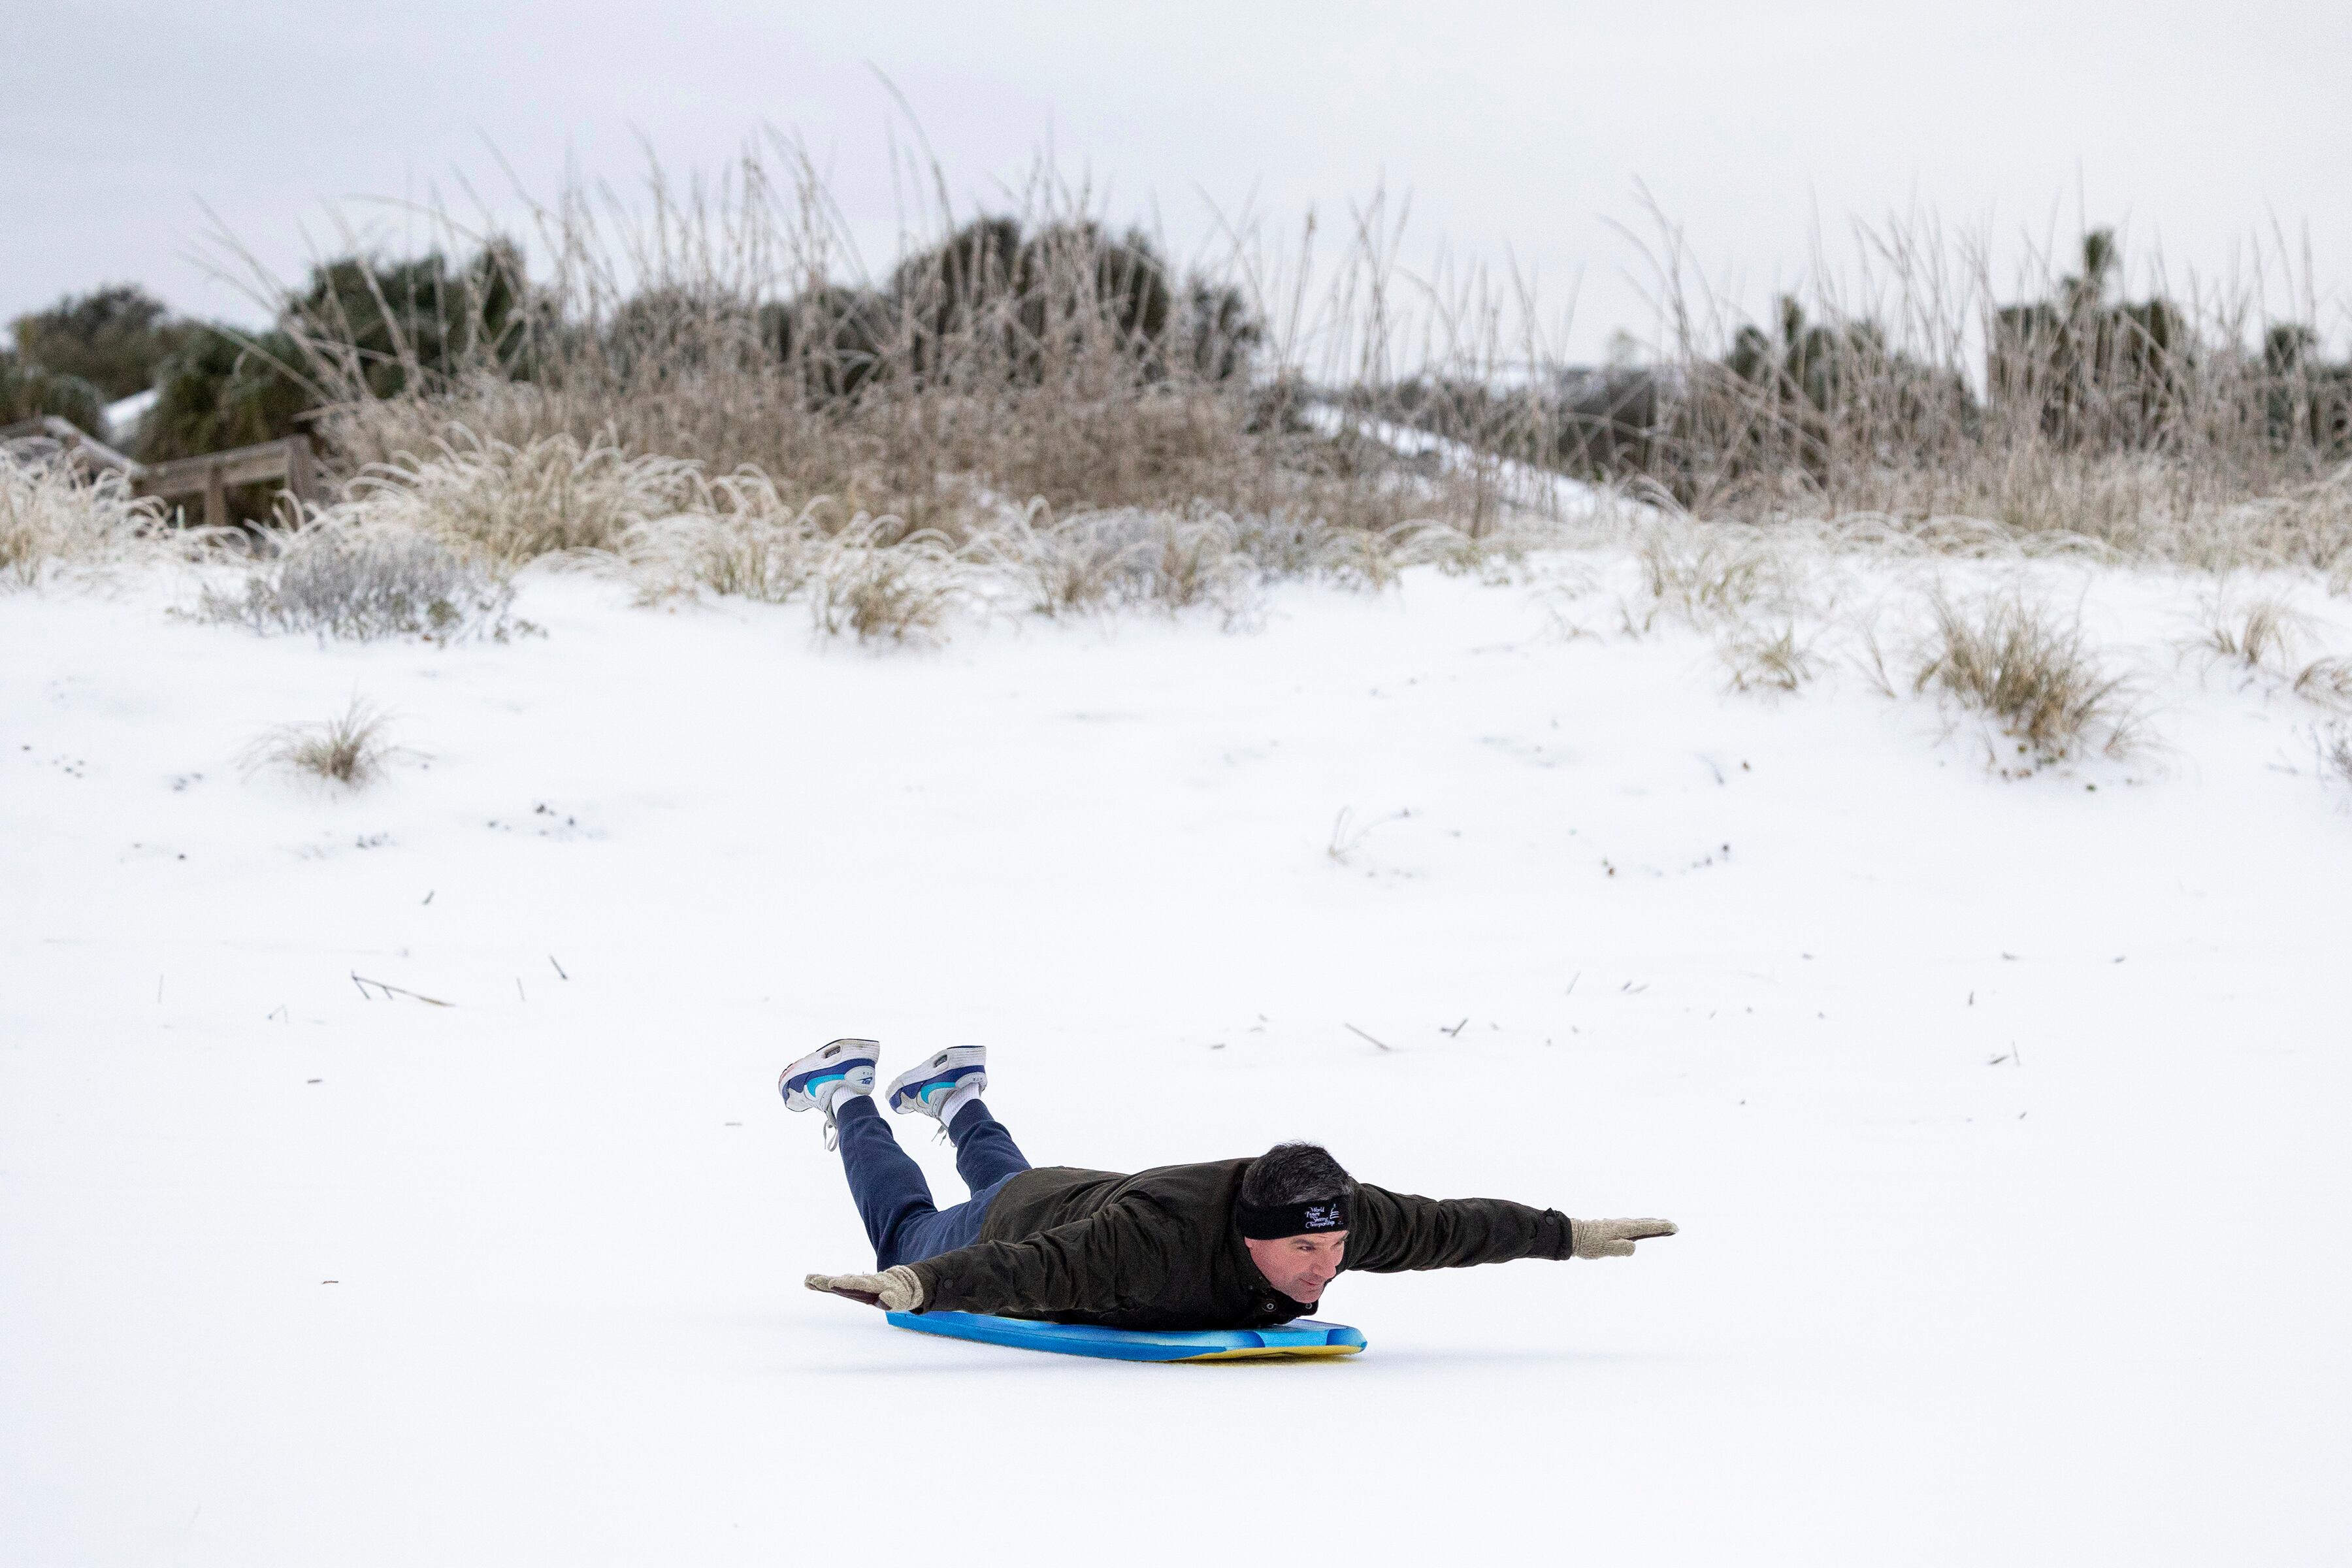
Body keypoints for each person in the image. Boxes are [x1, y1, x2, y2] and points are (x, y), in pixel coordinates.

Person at [783, 1037, 1676, 1330]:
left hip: (1071, 1193)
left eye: (1335, 1248)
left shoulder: (1334, 1212)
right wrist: (919, 1284)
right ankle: (851, 1093)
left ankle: (955, 1097)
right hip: (1048, 1222)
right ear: (1249, 1232)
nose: (1326, 1269)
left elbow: (1452, 1226)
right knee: (911, 1231)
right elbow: (1032, 1270)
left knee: (1022, 1188)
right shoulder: (1149, 1243)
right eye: (1305, 1251)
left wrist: (1570, 1235)